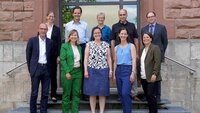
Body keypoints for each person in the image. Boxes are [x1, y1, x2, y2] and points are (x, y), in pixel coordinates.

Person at [111, 8, 139, 101]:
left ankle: (133, 93)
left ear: (126, 15)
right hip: (119, 52)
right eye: (120, 15)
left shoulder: (132, 25)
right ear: (119, 16)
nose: (122, 16)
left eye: (124, 14)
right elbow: (112, 41)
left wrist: (137, 53)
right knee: (120, 78)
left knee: (132, 74)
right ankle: (122, 94)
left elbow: (135, 39)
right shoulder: (114, 26)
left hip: (130, 51)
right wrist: (113, 54)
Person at [26, 23, 54, 113]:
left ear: (47, 31)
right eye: (41, 29)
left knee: (45, 93)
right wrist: (31, 70)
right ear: (38, 30)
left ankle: (43, 110)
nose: (43, 31)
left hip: (46, 69)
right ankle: (33, 111)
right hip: (36, 69)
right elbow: (28, 56)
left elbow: (52, 57)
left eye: (45, 29)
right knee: (34, 92)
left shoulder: (50, 42)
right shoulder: (32, 41)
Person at [84, 27, 112, 113]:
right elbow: (86, 58)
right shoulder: (89, 44)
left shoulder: (106, 44)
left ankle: (101, 111)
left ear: (101, 34)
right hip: (91, 70)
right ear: (93, 35)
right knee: (92, 93)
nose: (97, 34)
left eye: (99, 33)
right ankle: (93, 111)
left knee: (102, 93)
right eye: (95, 33)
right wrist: (85, 70)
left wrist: (110, 70)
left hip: (103, 70)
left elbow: (109, 58)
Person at [141, 11, 168, 101]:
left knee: (156, 75)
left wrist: (160, 53)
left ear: (155, 17)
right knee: (146, 74)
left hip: (157, 54)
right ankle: (147, 95)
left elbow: (165, 42)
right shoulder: (144, 29)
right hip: (147, 55)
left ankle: (157, 96)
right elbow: (143, 41)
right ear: (147, 19)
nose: (150, 18)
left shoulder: (161, 28)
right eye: (148, 17)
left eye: (152, 16)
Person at [64, 6, 89, 100]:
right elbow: (66, 38)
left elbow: (87, 38)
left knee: (82, 70)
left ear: (80, 14)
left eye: (78, 13)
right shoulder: (68, 25)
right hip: (70, 47)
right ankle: (70, 93)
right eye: (75, 13)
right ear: (72, 14)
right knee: (71, 68)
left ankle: (84, 93)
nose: (77, 14)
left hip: (82, 47)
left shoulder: (85, 25)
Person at [113, 27, 136, 113]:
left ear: (127, 35)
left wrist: (133, 73)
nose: (123, 35)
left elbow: (134, 59)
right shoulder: (116, 48)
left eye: (124, 34)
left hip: (128, 70)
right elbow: (115, 61)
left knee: (125, 93)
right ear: (119, 35)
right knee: (120, 94)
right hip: (118, 70)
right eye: (121, 34)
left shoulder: (131, 46)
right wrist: (114, 73)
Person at [60, 29, 82, 113]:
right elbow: (62, 60)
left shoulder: (79, 47)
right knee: (66, 94)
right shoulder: (64, 46)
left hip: (78, 72)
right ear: (69, 37)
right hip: (68, 72)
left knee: (76, 94)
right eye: (72, 35)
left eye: (75, 35)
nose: (74, 36)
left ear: (77, 37)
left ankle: (74, 111)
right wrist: (67, 72)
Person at [140, 32, 161, 113]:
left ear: (151, 39)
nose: (145, 39)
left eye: (147, 37)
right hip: (143, 77)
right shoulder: (142, 49)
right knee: (148, 96)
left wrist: (155, 73)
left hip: (152, 77)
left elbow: (157, 62)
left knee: (151, 95)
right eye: (144, 37)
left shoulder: (155, 48)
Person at [46, 11, 61, 102]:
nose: (51, 18)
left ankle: (53, 94)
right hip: (43, 56)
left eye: (53, 16)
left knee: (53, 75)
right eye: (50, 16)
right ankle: (45, 94)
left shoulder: (57, 29)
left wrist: (58, 56)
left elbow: (59, 42)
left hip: (53, 55)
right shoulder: (43, 27)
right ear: (47, 17)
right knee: (44, 75)